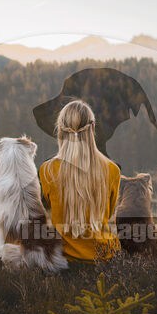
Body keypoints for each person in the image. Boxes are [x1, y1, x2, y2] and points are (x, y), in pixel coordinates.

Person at [39, 99, 121, 262]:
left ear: (61, 130)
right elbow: (109, 212)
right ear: (92, 128)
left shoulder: (47, 170)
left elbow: (49, 208)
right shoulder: (112, 170)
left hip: (63, 262)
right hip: (105, 260)